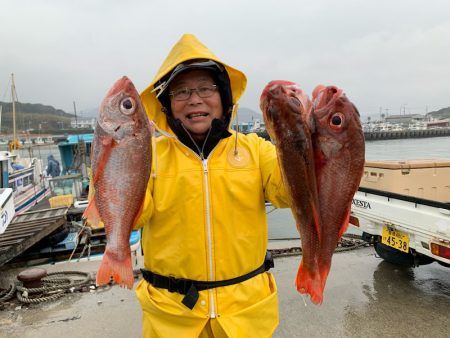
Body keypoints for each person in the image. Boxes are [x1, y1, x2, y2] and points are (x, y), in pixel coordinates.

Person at [135, 33, 289, 337]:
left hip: (246, 315)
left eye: (206, 88)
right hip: (171, 317)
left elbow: (290, 194)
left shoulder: (257, 150)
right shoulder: (147, 156)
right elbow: (133, 216)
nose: (195, 99)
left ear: (225, 96)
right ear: (166, 103)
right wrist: (109, 168)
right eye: (181, 92)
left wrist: (297, 141)